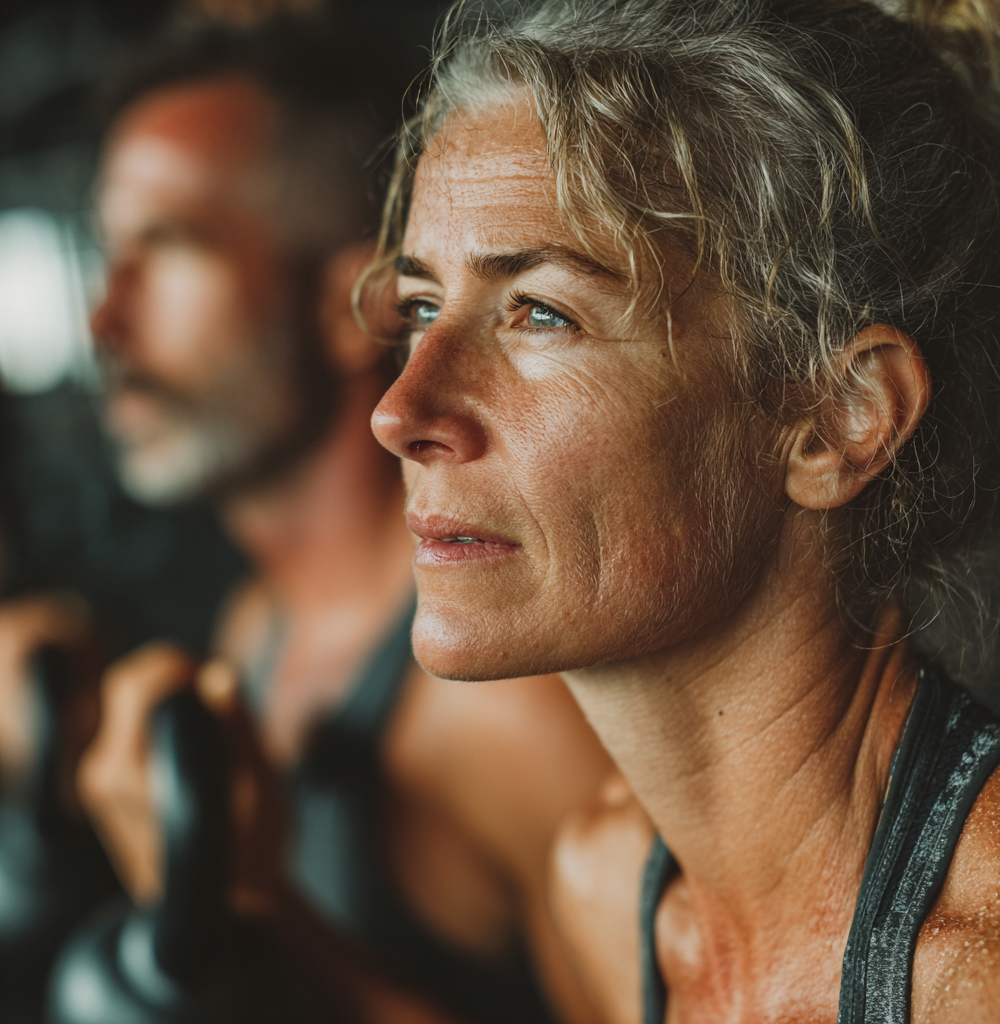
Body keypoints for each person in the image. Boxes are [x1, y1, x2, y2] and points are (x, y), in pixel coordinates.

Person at [367, 0, 1000, 1020]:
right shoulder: (603, 886)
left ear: (834, 419)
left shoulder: (991, 972)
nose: (400, 411)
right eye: (419, 308)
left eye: (540, 312)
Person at [76, 17, 612, 1024]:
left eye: (168, 246)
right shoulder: (256, 626)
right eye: (108, 255)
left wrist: (258, 918)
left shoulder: (498, 705)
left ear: (349, 304)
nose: (105, 321)